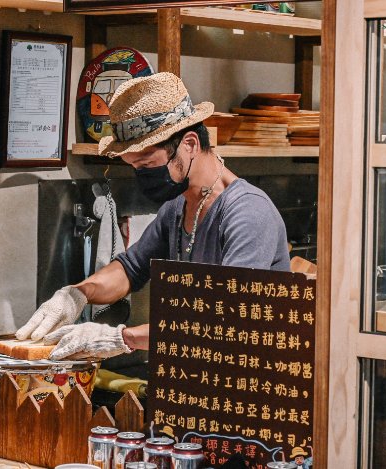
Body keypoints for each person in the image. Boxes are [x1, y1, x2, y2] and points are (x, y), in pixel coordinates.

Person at [16, 72, 290, 360]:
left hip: (244, 385)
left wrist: (121, 337)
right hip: (189, 377)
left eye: (147, 163)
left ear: (190, 144)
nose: (142, 176)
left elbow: (227, 322)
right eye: (135, 167)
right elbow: (130, 268)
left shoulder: (248, 213)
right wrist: (77, 294)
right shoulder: (177, 208)